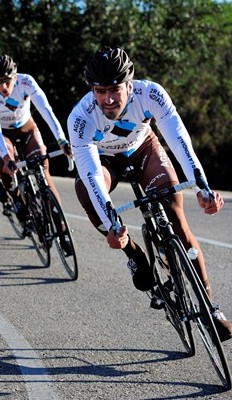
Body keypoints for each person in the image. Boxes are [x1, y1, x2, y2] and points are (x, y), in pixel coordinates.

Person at [67, 46, 232, 341]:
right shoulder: (81, 117)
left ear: (129, 85)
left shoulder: (150, 93)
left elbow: (179, 139)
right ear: (92, 90)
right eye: (100, 91)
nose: (108, 99)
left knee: (176, 220)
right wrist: (113, 224)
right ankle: (133, 253)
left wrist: (202, 186)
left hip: (144, 150)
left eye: (115, 89)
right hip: (105, 162)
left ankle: (209, 307)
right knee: (85, 191)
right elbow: (91, 174)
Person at [0, 54, 71, 215]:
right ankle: (18, 200)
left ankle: (58, 221)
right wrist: (6, 158)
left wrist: (61, 139)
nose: (3, 87)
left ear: (15, 76)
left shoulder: (26, 81)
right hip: (3, 133)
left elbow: (45, 110)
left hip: (27, 128)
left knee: (42, 166)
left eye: (7, 80)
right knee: (6, 168)